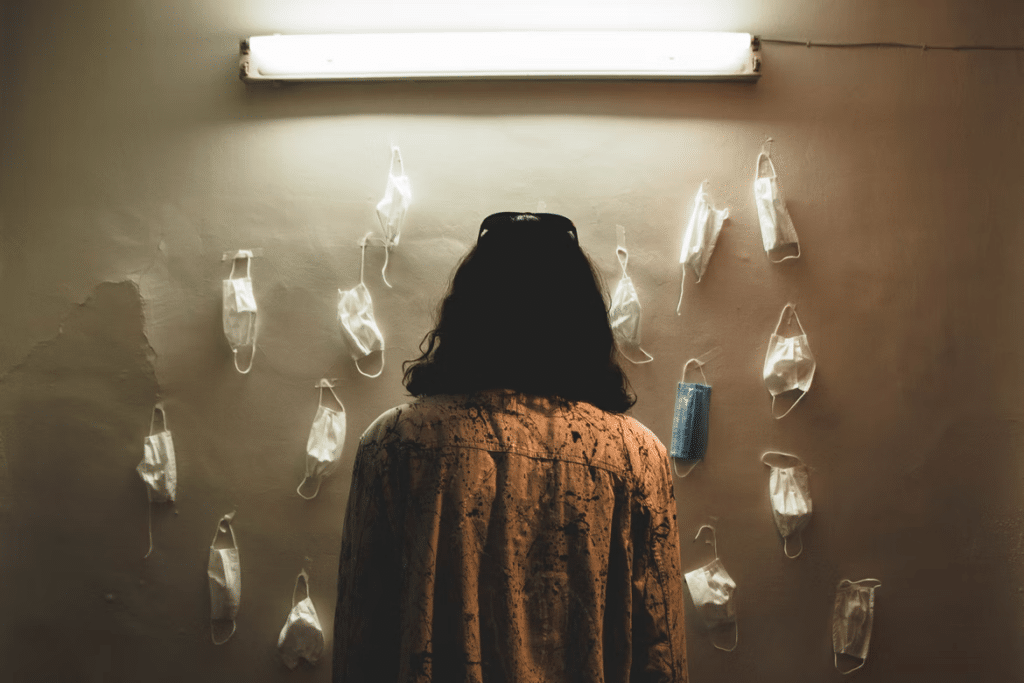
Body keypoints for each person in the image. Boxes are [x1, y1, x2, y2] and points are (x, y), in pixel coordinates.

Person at [332, 212, 687, 682]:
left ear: (467, 316)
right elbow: (661, 649)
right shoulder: (636, 456)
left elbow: (362, 639)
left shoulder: (395, 443)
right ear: (582, 322)